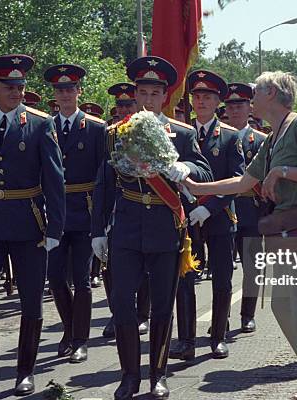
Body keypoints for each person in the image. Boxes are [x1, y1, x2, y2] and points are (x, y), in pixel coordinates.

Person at [185, 70, 297, 400]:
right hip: (290, 233)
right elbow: (243, 182)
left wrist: (282, 171)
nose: (249, 97)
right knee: (283, 307)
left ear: (271, 93)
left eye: (255, 91)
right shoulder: (273, 136)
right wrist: (196, 186)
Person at [91, 56, 212, 400]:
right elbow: (104, 183)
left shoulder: (183, 133)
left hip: (164, 227)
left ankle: (157, 374)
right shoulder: (115, 132)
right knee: (122, 303)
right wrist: (98, 230)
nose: (147, 99)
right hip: (127, 227)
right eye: (142, 92)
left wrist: (183, 167)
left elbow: (204, 172)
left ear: (165, 97)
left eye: (155, 93)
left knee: (162, 305)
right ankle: (129, 375)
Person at [0, 54, 65, 398]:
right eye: (9, 86)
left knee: (31, 298)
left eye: (21, 85)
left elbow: (54, 178)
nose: (17, 91)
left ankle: (25, 370)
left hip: (28, 216)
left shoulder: (39, 122)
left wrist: (54, 230)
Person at [169, 70, 244, 362]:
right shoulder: (177, 134)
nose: (201, 102)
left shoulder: (229, 137)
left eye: (208, 97)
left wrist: (208, 207)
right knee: (185, 278)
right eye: (197, 96)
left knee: (222, 279)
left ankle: (217, 338)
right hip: (186, 217)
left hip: (220, 215)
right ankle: (186, 340)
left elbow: (237, 180)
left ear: (217, 102)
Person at [43, 63, 106, 363]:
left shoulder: (96, 128)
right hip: (53, 214)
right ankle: (69, 330)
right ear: (53, 94)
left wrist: (103, 220)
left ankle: (80, 339)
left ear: (80, 92)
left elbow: (103, 175)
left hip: (85, 211)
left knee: (81, 279)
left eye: (70, 89)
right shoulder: (44, 125)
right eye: (60, 90)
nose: (65, 94)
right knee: (55, 278)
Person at [103, 81, 150, 339]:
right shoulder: (110, 134)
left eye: (127, 104)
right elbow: (104, 178)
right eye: (119, 105)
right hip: (117, 209)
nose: (122, 109)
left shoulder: (146, 131)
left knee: (141, 268)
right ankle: (118, 313)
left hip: (140, 207)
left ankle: (143, 314)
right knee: (113, 268)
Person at [224, 82, 267, 333]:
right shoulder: (218, 136)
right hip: (224, 210)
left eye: (240, 104)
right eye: (230, 105)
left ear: (250, 107)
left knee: (252, 267)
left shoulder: (261, 140)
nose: (235, 109)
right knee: (223, 268)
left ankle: (247, 314)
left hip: (251, 210)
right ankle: (223, 316)